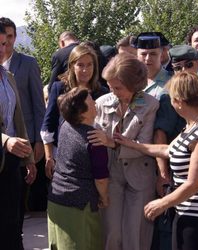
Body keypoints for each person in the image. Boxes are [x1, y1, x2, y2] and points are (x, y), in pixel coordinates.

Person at [115, 72, 198, 250]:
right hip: (190, 212)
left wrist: (162, 203)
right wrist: (133, 144)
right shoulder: (193, 125)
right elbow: (169, 150)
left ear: (178, 101)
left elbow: (194, 183)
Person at [87, 53, 159, 250]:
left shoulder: (151, 105)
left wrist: (110, 142)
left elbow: (144, 145)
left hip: (139, 176)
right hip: (111, 176)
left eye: (118, 87)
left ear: (134, 85)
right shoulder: (101, 103)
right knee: (112, 235)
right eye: (110, 86)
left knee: (135, 236)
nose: (113, 91)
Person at [135, 34, 185, 250]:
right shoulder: (134, 83)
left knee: (163, 228)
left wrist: (162, 174)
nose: (147, 59)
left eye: (153, 54)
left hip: (162, 164)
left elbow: (161, 133)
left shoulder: (170, 85)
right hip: (137, 165)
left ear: (162, 54)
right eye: (143, 54)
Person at [47, 87, 109, 250]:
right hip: (79, 206)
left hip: (56, 200)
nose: (95, 103)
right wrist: (104, 197)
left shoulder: (66, 126)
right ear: (82, 112)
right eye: (90, 101)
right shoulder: (94, 139)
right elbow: (101, 179)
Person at [0, 17, 46, 216]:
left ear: (15, 38)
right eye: (3, 38)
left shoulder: (27, 63)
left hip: (22, 143)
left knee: (16, 204)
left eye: (9, 37)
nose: (7, 43)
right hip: (5, 144)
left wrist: (38, 140)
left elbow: (38, 105)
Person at [41, 44, 109, 179]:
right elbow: (48, 123)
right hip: (62, 154)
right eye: (80, 65)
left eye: (89, 65)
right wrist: (49, 157)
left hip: (93, 158)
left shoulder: (102, 92)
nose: (85, 70)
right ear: (72, 66)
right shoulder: (59, 88)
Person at [0, 24, 36, 250]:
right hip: (6, 148)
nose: (2, 48)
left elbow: (18, 120)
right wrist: (5, 140)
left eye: (4, 43)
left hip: (11, 161)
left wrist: (29, 158)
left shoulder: (8, 76)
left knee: (12, 223)